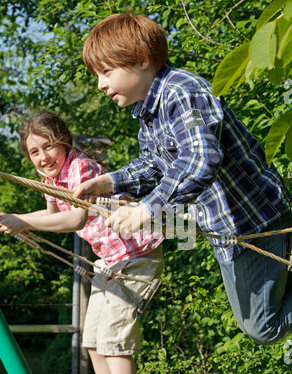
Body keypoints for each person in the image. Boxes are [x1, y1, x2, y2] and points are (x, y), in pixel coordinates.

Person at [73, 12, 292, 346]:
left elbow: (200, 158)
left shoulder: (183, 91)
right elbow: (154, 166)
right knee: (256, 325)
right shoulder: (148, 111)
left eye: (106, 72)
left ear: (142, 60)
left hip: (257, 219)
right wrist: (107, 182)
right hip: (226, 231)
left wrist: (146, 211)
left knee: (262, 328)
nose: (100, 84)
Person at [0, 111, 164, 374]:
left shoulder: (80, 168)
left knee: (114, 339)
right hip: (109, 261)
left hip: (135, 257)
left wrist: (22, 221)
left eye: (49, 147)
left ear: (64, 143)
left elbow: (76, 217)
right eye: (34, 153)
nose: (43, 158)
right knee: (93, 341)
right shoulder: (50, 180)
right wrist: (13, 219)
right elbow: (52, 215)